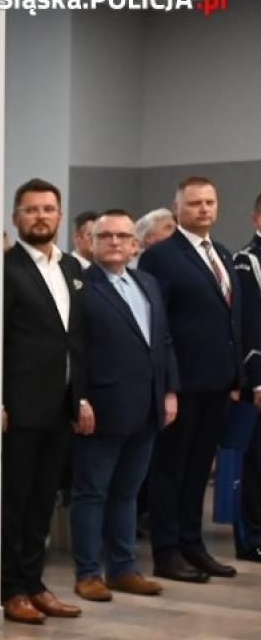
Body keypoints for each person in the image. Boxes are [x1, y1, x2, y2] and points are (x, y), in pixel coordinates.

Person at [139, 177, 258, 583]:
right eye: (194, 203)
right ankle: (167, 552)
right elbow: (159, 325)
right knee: (171, 469)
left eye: (209, 202)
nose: (204, 209)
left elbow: (234, 320)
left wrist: (237, 376)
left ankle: (193, 545)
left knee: (198, 471)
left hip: (218, 382)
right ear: (178, 208)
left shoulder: (222, 253)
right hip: (183, 382)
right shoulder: (161, 257)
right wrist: (167, 384)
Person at [69, 210, 177, 601]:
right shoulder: (81, 288)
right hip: (101, 407)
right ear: (91, 243)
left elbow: (163, 342)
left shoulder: (148, 283)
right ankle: (87, 573)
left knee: (127, 493)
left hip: (147, 406)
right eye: (106, 236)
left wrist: (169, 392)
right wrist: (78, 398)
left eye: (123, 237)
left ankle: (123, 567)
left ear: (135, 245)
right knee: (91, 492)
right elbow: (75, 350)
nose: (115, 242)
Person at [0, 178, 87, 624]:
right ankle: (11, 588)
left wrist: (82, 398)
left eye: (48, 209)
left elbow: (77, 340)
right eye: (30, 210)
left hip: (60, 405)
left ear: (58, 214)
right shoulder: (5, 268)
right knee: (14, 502)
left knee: (42, 501)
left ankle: (35, 583)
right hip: (19, 407)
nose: (40, 216)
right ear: (16, 218)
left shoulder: (72, 268)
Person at [235, 195, 261, 561]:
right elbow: (250, 324)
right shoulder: (248, 260)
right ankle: (252, 536)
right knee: (257, 464)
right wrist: (255, 379)